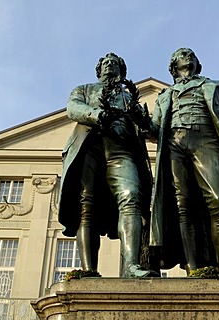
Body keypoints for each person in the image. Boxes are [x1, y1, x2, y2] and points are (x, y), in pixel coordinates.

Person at [146, 48, 219, 277]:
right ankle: (193, 269)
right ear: (173, 65)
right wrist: (141, 121)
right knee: (183, 206)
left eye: (191, 54)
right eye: (182, 54)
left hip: (206, 139)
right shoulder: (165, 95)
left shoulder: (213, 86)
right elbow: (154, 129)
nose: (188, 55)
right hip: (174, 143)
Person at [58, 52, 156, 278]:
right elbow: (73, 108)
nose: (110, 65)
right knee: (86, 205)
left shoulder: (129, 97)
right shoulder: (83, 89)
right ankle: (89, 269)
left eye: (114, 63)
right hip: (89, 145)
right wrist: (97, 114)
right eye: (106, 62)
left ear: (121, 71)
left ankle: (131, 266)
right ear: (99, 69)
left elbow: (149, 128)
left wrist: (141, 118)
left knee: (131, 195)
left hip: (121, 146)